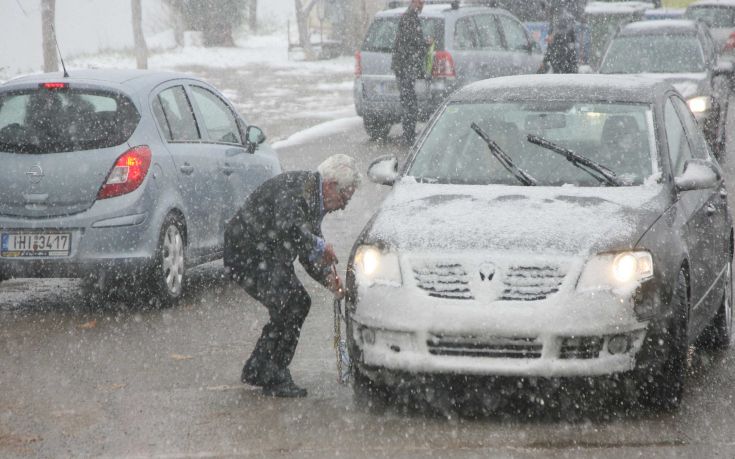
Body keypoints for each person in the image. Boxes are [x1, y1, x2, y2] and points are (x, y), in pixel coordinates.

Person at [224, 154, 361, 398]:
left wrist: (328, 280)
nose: (343, 206)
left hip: (268, 255)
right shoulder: (299, 189)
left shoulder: (314, 197)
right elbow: (290, 227)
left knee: (292, 303)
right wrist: (320, 245)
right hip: (249, 253)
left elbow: (306, 251)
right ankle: (273, 373)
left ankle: (259, 367)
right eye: (344, 198)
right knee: (292, 303)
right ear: (330, 185)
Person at [391, 0, 430, 145]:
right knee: (409, 103)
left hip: (405, 67)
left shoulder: (411, 18)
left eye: (422, 3)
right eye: (419, 2)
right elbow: (411, 41)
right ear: (412, 2)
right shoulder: (408, 18)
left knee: (409, 102)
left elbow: (412, 41)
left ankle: (409, 135)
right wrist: (425, 44)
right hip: (404, 67)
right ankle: (408, 137)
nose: (421, 6)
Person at [538, 0, 578, 74]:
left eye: (545, 9)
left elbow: (567, 34)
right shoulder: (554, 19)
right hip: (561, 61)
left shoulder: (560, 17)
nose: (545, 13)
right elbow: (551, 46)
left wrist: (554, 35)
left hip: (565, 61)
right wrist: (544, 61)